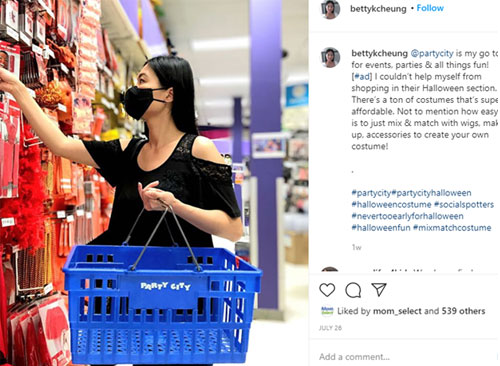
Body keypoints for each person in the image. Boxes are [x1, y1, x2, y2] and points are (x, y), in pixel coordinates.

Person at [0, 55, 243, 366]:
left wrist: (175, 205)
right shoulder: (129, 151)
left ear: (169, 93)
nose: (133, 89)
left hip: (179, 298)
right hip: (122, 296)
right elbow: (60, 144)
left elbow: (231, 227)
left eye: (142, 81)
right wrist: (19, 89)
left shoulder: (200, 150)